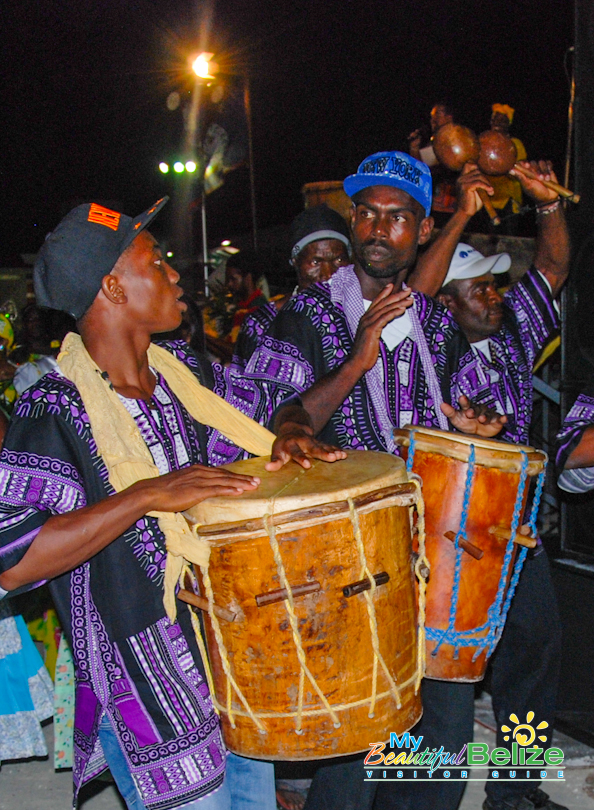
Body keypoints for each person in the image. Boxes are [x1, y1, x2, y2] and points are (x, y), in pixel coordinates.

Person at [0, 197, 345, 810]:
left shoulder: (189, 377)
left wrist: (288, 431)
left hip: (232, 658)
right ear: (112, 287)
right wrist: (147, 495)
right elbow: (16, 558)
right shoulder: (54, 408)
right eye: (156, 263)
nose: (176, 274)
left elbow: (274, 404)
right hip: (148, 689)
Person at [245, 151, 506, 810]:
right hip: (346, 563)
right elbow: (276, 410)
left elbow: (470, 414)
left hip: (432, 551)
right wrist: (358, 358)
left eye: (396, 217)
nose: (377, 228)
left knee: (439, 732)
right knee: (359, 733)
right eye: (366, 212)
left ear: (420, 233)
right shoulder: (310, 310)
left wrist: (472, 428)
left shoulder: (439, 323)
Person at [415, 160, 569, 810]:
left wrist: (547, 207)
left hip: (512, 528)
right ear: (448, 303)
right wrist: (457, 220)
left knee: (535, 647)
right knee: (447, 680)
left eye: (493, 286)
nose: (493, 294)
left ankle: (513, 790)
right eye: (477, 288)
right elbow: (416, 300)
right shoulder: (421, 345)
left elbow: (555, 269)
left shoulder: (509, 337)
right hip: (447, 536)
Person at [233, 204, 350, 370]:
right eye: (316, 262)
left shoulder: (361, 316)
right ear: (295, 262)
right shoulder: (262, 324)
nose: (328, 274)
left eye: (338, 260)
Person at [408, 101, 458, 221]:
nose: (433, 120)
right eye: (431, 117)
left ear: (449, 118)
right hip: (432, 206)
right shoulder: (433, 142)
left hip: (452, 207)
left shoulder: (459, 140)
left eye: (437, 115)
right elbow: (419, 171)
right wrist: (414, 148)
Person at [487, 104, 528, 229]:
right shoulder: (483, 142)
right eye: (495, 119)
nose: (497, 122)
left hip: (508, 201)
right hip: (488, 200)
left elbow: (521, 170)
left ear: (508, 123)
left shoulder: (515, 144)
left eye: (502, 120)